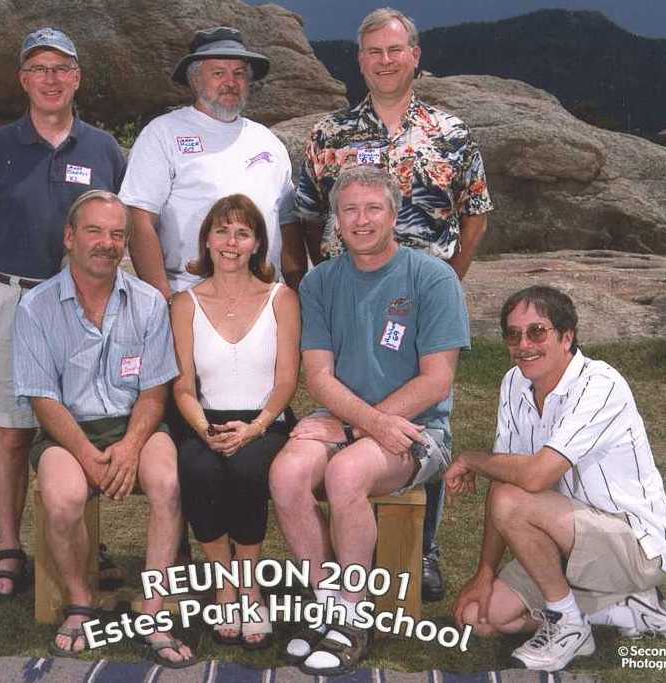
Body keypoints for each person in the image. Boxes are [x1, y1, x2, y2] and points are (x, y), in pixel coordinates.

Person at [296, 8, 493, 601]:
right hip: (349, 294)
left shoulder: (450, 132)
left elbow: (476, 212)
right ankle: (345, 557)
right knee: (357, 399)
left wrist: (448, 277)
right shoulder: (329, 134)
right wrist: (319, 278)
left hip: (422, 297)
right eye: (373, 51)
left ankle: (421, 549)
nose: (385, 60)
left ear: (415, 56)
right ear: (359, 60)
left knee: (423, 406)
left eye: (395, 49)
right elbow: (305, 214)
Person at [0, 27, 126, 599]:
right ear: (24, 79)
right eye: (40, 69)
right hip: (16, 300)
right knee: (13, 431)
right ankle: (8, 548)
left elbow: (121, 223)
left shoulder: (103, 149)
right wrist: (3, 282)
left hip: (86, 304)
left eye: (62, 69)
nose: (51, 79)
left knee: (83, 423)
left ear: (78, 78)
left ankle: (85, 538)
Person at [270, 166, 470, 675]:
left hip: (418, 426)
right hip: (342, 416)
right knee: (286, 474)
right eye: (350, 210)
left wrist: (359, 428)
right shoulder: (319, 282)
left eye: (373, 208)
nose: (361, 220)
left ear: (394, 214)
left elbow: (436, 381)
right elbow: (319, 376)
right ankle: (326, 602)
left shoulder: (433, 278)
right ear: (335, 220)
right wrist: (356, 424)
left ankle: (353, 615)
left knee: (346, 472)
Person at [446, 286, 666, 672]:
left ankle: (569, 623)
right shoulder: (514, 383)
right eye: (513, 335)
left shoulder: (601, 384)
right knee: (480, 617)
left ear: (567, 337)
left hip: (635, 548)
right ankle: (625, 609)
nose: (523, 345)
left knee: (513, 498)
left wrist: (470, 459)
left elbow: (535, 476)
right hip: (565, 538)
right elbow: (502, 479)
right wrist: (484, 573)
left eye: (537, 332)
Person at [12, 191, 194, 668]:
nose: (106, 243)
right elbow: (43, 399)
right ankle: (81, 600)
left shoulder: (148, 301)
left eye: (117, 234)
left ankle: (154, 608)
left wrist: (131, 446)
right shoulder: (35, 306)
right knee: (64, 497)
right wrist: (88, 456)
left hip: (137, 424)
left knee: (168, 483)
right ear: (70, 237)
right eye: (94, 231)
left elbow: (154, 390)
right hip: (66, 429)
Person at [171, 193, 300, 650]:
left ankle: (250, 586)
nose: (231, 242)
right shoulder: (185, 303)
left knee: (247, 469)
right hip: (204, 420)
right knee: (198, 468)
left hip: (265, 421)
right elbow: (183, 386)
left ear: (257, 244)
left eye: (242, 233)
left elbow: (287, 380)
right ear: (206, 240)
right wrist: (205, 430)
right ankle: (224, 584)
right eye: (222, 231)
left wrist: (256, 427)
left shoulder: (281, 298)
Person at [119, 25, 306, 299]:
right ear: (195, 80)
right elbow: (139, 220)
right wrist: (164, 301)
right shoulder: (163, 133)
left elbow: (288, 224)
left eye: (239, 74)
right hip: (188, 297)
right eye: (218, 73)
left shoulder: (268, 141)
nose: (231, 82)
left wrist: (297, 294)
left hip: (265, 300)